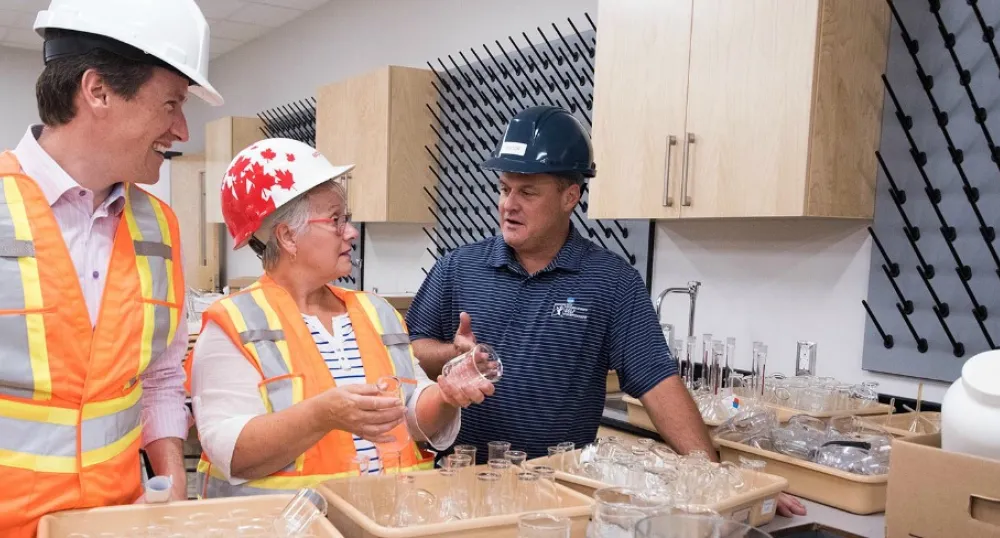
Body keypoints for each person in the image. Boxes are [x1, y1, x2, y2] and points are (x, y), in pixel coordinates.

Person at [405, 105, 807, 518]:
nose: (509, 204)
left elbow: (658, 382)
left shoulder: (611, 282)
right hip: (460, 490)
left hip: (559, 500)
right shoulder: (458, 267)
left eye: (527, 193)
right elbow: (410, 353)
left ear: (570, 197)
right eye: (505, 188)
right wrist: (452, 359)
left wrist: (721, 485)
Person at [0, 1, 223, 535]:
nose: (182, 130)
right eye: (170, 104)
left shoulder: (160, 228)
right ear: (97, 91)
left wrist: (171, 501)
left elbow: (162, 378)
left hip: (118, 523)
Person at [189, 138, 494, 497]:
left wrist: (445, 396)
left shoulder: (376, 312)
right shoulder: (235, 322)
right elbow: (233, 453)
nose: (350, 231)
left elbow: (410, 419)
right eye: (335, 220)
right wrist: (322, 415)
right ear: (288, 236)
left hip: (385, 520)